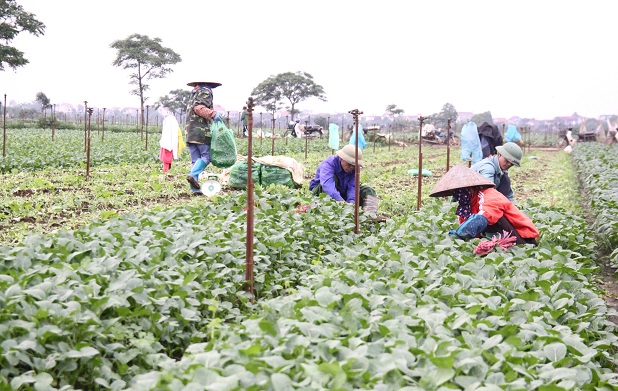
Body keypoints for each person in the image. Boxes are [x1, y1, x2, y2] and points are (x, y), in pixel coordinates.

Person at [430, 164, 539, 245]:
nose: (459, 195)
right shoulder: (466, 207)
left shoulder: (489, 194)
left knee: (485, 218)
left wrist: (459, 234)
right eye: (456, 192)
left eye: (462, 191)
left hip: (525, 239)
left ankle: (505, 244)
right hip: (503, 238)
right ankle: (497, 244)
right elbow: (473, 234)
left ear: (471, 188)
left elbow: (485, 216)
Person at [185, 81, 224, 194]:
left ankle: (195, 189)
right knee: (206, 157)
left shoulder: (194, 93)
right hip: (200, 131)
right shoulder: (205, 91)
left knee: (195, 160)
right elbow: (198, 108)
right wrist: (213, 114)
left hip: (190, 131)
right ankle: (193, 174)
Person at [309, 145, 376, 207]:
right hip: (322, 192)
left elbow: (353, 186)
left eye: (354, 165)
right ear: (341, 158)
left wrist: (351, 202)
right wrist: (340, 201)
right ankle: (329, 208)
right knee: (334, 179)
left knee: (368, 190)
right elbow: (327, 185)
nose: (351, 167)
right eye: (349, 164)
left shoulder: (355, 168)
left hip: (342, 193)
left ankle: (370, 214)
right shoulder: (329, 163)